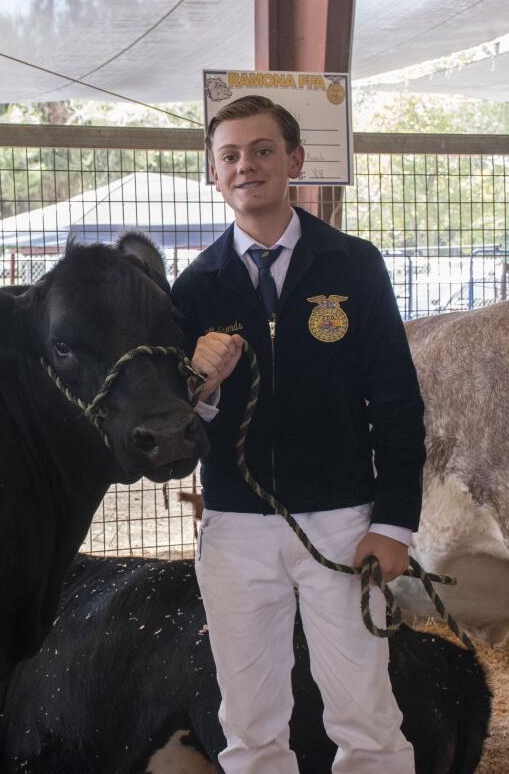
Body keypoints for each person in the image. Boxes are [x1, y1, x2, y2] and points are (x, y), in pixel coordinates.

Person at [173, 95, 425, 773]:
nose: (245, 166)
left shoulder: (352, 265)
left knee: (365, 715)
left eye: (260, 150)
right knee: (250, 725)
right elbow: (176, 434)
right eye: (229, 156)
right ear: (213, 175)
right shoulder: (193, 288)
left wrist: (395, 524)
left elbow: (398, 403)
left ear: (294, 161)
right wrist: (202, 389)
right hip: (235, 528)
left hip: (344, 522)